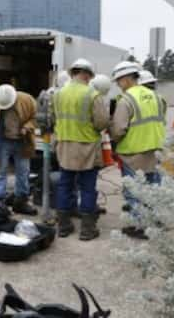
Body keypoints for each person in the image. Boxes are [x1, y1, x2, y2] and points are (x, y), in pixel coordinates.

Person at [53, 59, 109, 241]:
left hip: (64, 145)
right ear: (86, 74)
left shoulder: (59, 94)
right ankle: (87, 229)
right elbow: (101, 123)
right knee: (87, 188)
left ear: (73, 73)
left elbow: (54, 118)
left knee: (64, 185)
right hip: (87, 147)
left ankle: (63, 226)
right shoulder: (92, 94)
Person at [110, 62, 166, 240]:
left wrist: (113, 140)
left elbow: (118, 129)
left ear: (126, 79)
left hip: (133, 152)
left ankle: (139, 226)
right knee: (153, 188)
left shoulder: (126, 100)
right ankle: (155, 222)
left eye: (119, 81)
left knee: (134, 191)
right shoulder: (157, 97)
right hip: (155, 150)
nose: (118, 85)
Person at [0, 84, 38, 216]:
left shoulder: (26, 100)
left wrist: (27, 127)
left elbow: (36, 117)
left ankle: (21, 201)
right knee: (0, 171)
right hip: (3, 141)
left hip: (22, 141)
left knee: (23, 171)